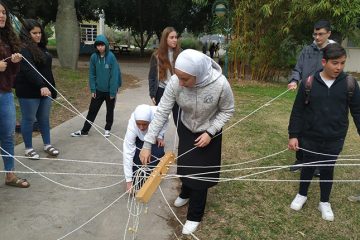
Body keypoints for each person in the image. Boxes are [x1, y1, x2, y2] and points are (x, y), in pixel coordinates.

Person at [140, 49, 234, 234]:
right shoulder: (176, 82)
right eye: (178, 77)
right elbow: (161, 112)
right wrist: (147, 144)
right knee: (185, 165)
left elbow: (228, 110)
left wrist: (210, 132)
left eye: (185, 79)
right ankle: (186, 192)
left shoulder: (221, 84)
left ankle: (194, 215)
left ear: (198, 74)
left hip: (208, 131)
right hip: (186, 127)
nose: (180, 83)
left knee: (200, 175)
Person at [288, 43, 360, 221]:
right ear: (323, 62)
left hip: (335, 137)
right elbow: (298, 111)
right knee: (308, 165)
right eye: (335, 63)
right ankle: (302, 194)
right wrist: (293, 135)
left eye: (342, 63)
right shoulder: (309, 83)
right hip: (310, 135)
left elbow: (357, 111)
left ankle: (324, 202)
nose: (339, 67)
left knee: (328, 168)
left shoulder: (350, 84)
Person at [288, 20, 335, 174]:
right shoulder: (307, 50)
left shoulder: (334, 51)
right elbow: (298, 68)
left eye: (320, 34)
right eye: (315, 34)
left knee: (318, 129)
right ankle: (300, 160)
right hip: (305, 93)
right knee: (300, 127)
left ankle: (317, 165)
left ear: (328, 33)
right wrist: (294, 80)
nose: (317, 37)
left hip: (323, 96)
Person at [15, 19, 58, 160]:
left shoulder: (42, 48)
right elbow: (29, 70)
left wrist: (52, 88)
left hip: (45, 90)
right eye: (34, 33)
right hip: (28, 91)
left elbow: (46, 71)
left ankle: (47, 144)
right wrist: (42, 86)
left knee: (43, 118)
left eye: (39, 33)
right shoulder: (23, 49)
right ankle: (28, 148)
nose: (38, 35)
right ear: (27, 34)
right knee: (28, 119)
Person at [0, 1, 29, 187]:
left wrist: (15, 61)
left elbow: (11, 72)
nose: (2, 15)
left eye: (3, 12)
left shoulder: (6, 39)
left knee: (8, 135)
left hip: (5, 93)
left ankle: (9, 174)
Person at [71, 34, 121, 138]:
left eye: (102, 45)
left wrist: (113, 91)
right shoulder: (94, 57)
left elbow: (114, 75)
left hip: (109, 91)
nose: (100, 47)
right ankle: (85, 131)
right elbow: (92, 74)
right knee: (92, 110)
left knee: (110, 110)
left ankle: (107, 129)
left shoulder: (111, 57)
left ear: (106, 45)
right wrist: (93, 89)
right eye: (98, 46)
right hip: (98, 90)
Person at [123, 104, 169, 192]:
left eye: (144, 124)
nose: (141, 127)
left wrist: (159, 135)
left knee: (154, 159)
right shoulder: (132, 126)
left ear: (150, 120)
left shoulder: (159, 114)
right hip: (139, 139)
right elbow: (127, 153)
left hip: (154, 136)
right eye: (138, 124)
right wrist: (128, 181)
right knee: (138, 177)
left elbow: (167, 119)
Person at [148, 26, 180, 123]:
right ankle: (158, 138)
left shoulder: (181, 53)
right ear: (165, 39)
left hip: (177, 91)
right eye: (171, 37)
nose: (175, 40)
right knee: (159, 120)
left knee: (179, 120)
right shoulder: (156, 55)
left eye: (176, 37)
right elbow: (152, 77)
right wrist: (152, 94)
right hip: (161, 91)